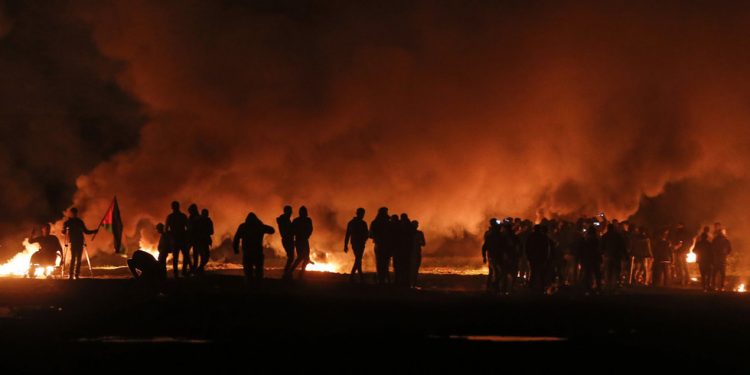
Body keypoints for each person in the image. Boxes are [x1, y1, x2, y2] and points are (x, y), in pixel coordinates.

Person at [233, 212, 275, 283]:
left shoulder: (243, 226)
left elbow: (236, 238)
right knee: (259, 270)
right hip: (258, 252)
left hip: (247, 252)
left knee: (248, 271)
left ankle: (249, 287)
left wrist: (235, 249)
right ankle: (258, 287)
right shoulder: (259, 226)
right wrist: (261, 225)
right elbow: (272, 230)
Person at [62, 207, 98, 280]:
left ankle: (76, 274)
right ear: (71, 213)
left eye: (75, 213)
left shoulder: (79, 222)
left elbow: (86, 231)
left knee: (78, 259)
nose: (74, 214)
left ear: (76, 213)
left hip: (80, 241)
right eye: (73, 213)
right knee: (73, 258)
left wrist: (94, 231)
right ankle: (71, 275)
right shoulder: (68, 222)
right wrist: (64, 230)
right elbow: (63, 232)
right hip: (73, 242)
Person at [165, 201, 190, 278]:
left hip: (175, 240)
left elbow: (166, 229)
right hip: (182, 239)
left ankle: (176, 274)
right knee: (185, 255)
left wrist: (171, 234)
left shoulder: (170, 217)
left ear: (172, 207)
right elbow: (188, 227)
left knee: (175, 257)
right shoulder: (183, 216)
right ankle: (184, 271)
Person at [525, 224, 553, 293]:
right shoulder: (543, 237)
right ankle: (541, 287)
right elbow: (546, 249)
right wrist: (546, 258)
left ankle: (532, 286)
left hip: (533, 258)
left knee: (533, 272)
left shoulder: (531, 237)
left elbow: (527, 248)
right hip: (541, 258)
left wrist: (528, 257)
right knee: (541, 272)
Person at [288, 206, 313, 280]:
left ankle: (301, 273)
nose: (303, 213)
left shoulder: (307, 220)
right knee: (301, 257)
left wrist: (306, 236)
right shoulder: (297, 220)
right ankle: (292, 271)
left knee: (306, 258)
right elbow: (292, 230)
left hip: (304, 240)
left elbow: (310, 229)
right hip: (299, 241)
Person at [344, 208, 368, 283]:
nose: (362, 215)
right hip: (357, 243)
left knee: (358, 259)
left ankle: (359, 277)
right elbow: (348, 234)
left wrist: (346, 245)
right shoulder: (356, 223)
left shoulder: (356, 223)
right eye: (362, 213)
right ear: (358, 213)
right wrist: (345, 245)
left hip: (358, 243)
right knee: (358, 259)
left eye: (363, 214)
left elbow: (366, 234)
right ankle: (353, 277)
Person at [369, 208, 391, 284]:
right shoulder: (388, 222)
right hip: (385, 245)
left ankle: (380, 279)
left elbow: (370, 235)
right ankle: (383, 279)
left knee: (380, 263)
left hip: (379, 245)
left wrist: (376, 237)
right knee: (385, 263)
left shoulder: (375, 222)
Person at [602, 223, 627, 290]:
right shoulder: (618, 236)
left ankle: (607, 287)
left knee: (607, 272)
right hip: (616, 257)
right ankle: (614, 287)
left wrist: (603, 254)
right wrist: (625, 255)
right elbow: (623, 247)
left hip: (607, 257)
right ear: (613, 228)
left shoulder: (605, 236)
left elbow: (601, 247)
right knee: (616, 272)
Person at [579, 225, 603, 292]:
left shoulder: (586, 239)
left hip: (588, 259)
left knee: (588, 273)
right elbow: (599, 250)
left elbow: (583, 250)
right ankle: (598, 287)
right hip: (594, 259)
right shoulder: (596, 239)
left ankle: (587, 287)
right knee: (596, 273)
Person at [482, 219, 501, 292]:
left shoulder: (489, 234)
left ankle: (490, 286)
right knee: (497, 272)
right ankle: (494, 286)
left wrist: (484, 257)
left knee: (493, 272)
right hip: (494, 256)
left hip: (492, 255)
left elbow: (484, 247)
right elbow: (485, 247)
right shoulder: (492, 235)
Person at [712, 223, 732, 291]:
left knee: (714, 273)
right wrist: (726, 254)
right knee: (723, 274)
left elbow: (712, 248)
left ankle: (713, 286)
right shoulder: (726, 240)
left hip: (716, 259)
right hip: (723, 259)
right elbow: (730, 249)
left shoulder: (715, 240)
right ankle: (722, 286)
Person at [276, 206, 295, 279]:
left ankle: (287, 272)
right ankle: (286, 273)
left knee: (291, 257)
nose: (291, 212)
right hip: (287, 240)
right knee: (291, 257)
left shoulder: (285, 219)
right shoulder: (284, 220)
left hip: (287, 239)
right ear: (287, 211)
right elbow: (287, 230)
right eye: (290, 211)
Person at [194, 208, 214, 273]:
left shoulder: (198, 220)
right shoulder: (207, 221)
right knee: (205, 256)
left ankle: (199, 269)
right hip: (202, 240)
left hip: (200, 240)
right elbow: (211, 232)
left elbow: (211, 231)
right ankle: (199, 269)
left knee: (204, 256)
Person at [693, 226, 713, 291]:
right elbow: (711, 253)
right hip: (708, 261)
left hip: (701, 261)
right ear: (707, 237)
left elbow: (693, 250)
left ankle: (703, 287)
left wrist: (699, 252)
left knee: (703, 274)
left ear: (701, 237)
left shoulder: (698, 243)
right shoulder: (709, 244)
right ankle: (708, 286)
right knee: (709, 274)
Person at [411, 220, 426, 288]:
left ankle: (412, 283)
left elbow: (423, 243)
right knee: (414, 269)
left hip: (413, 253)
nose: (416, 226)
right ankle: (413, 283)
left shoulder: (409, 233)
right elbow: (423, 243)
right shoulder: (419, 233)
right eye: (416, 224)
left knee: (414, 268)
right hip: (414, 253)